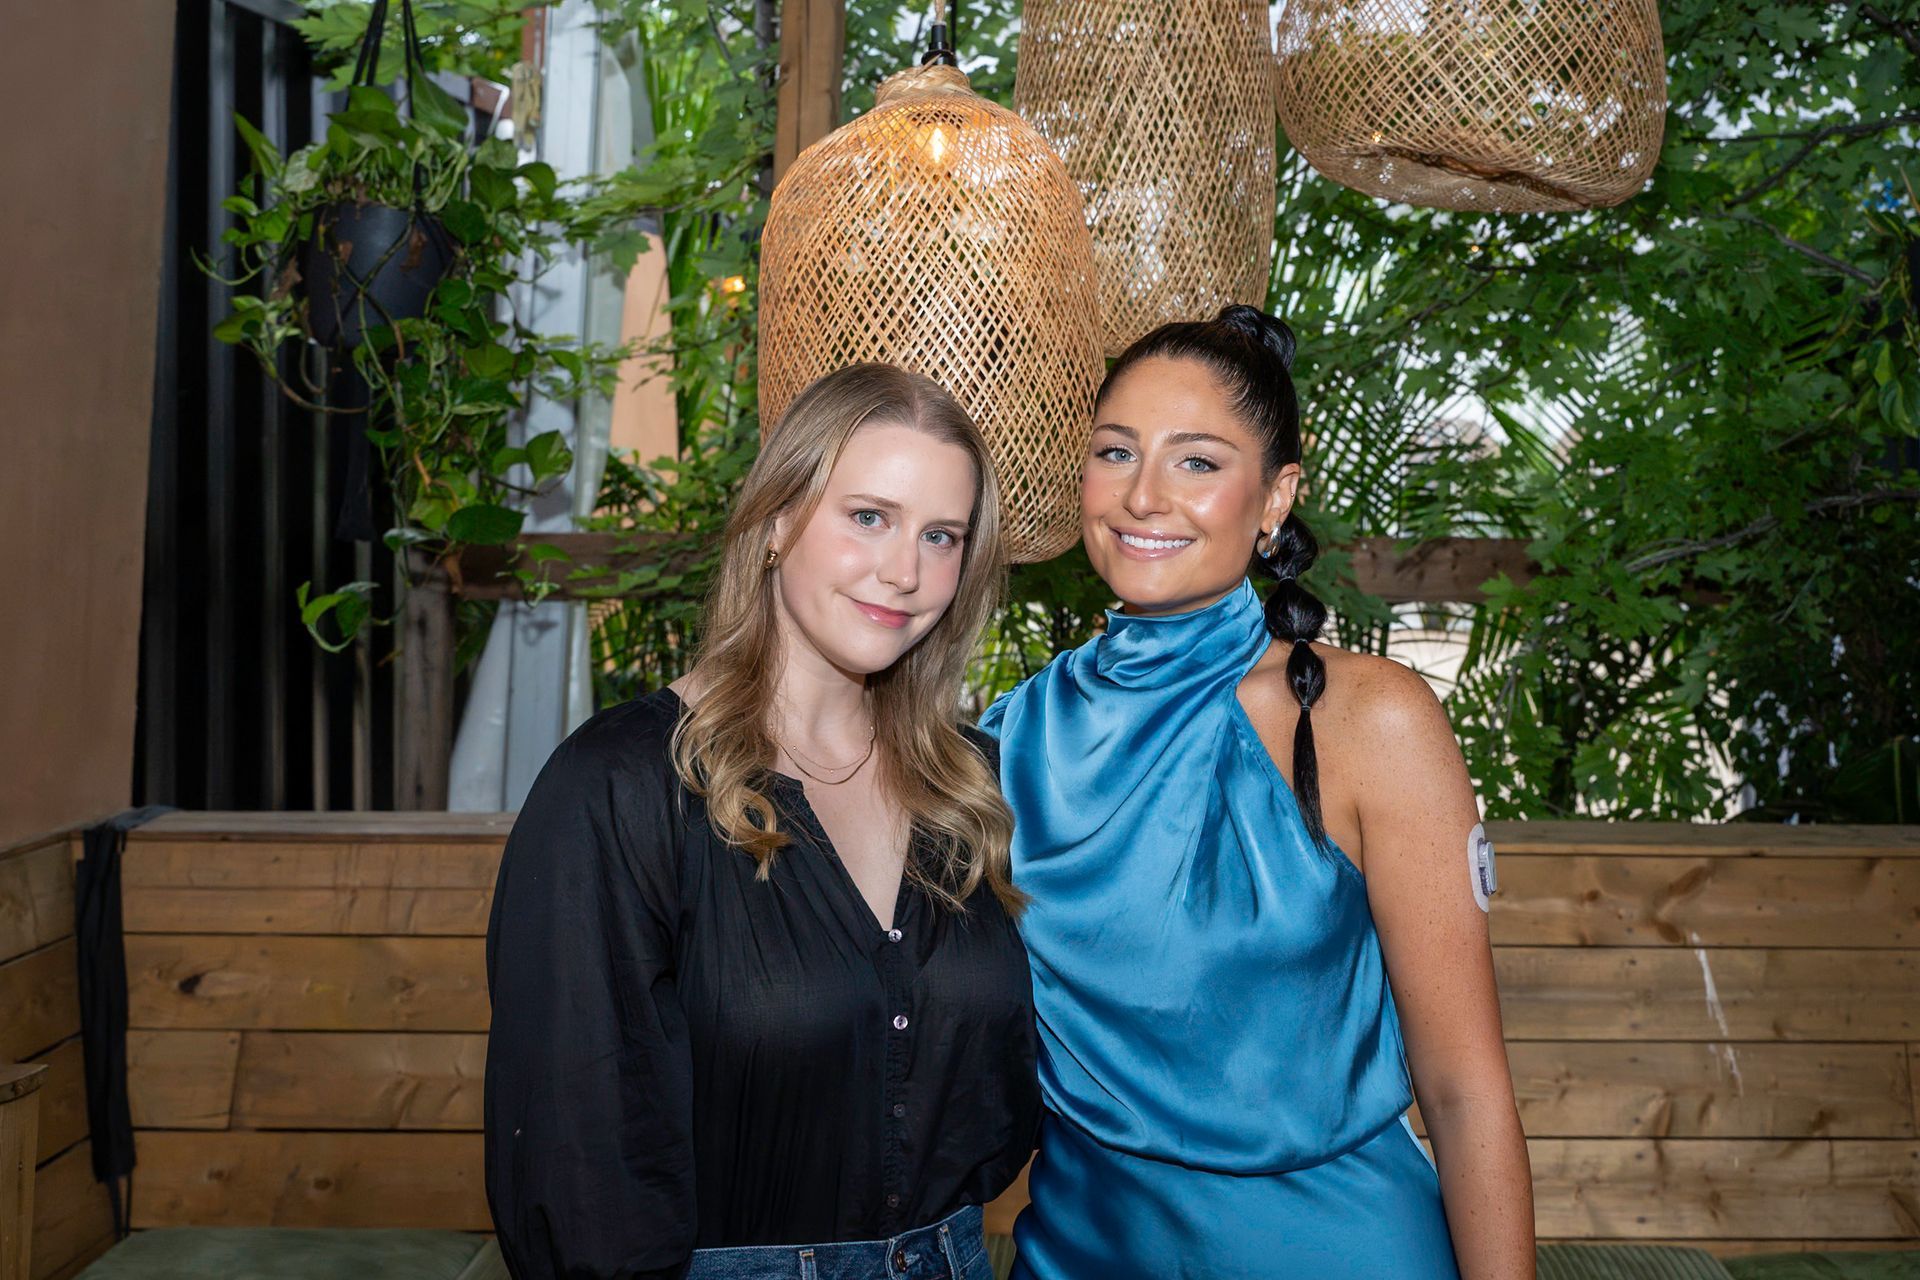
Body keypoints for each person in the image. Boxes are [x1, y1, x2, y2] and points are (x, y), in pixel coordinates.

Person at [981, 306, 1535, 1279]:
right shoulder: (1006, 740)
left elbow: (1464, 1086)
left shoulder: (1371, 722)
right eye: (1116, 452)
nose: (1144, 494)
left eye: (1197, 461)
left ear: (1276, 498)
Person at [485, 363, 1039, 1280]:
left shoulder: (965, 784)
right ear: (778, 520)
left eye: (941, 536)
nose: (904, 571)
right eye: (869, 517)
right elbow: (578, 1159)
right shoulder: (619, 789)